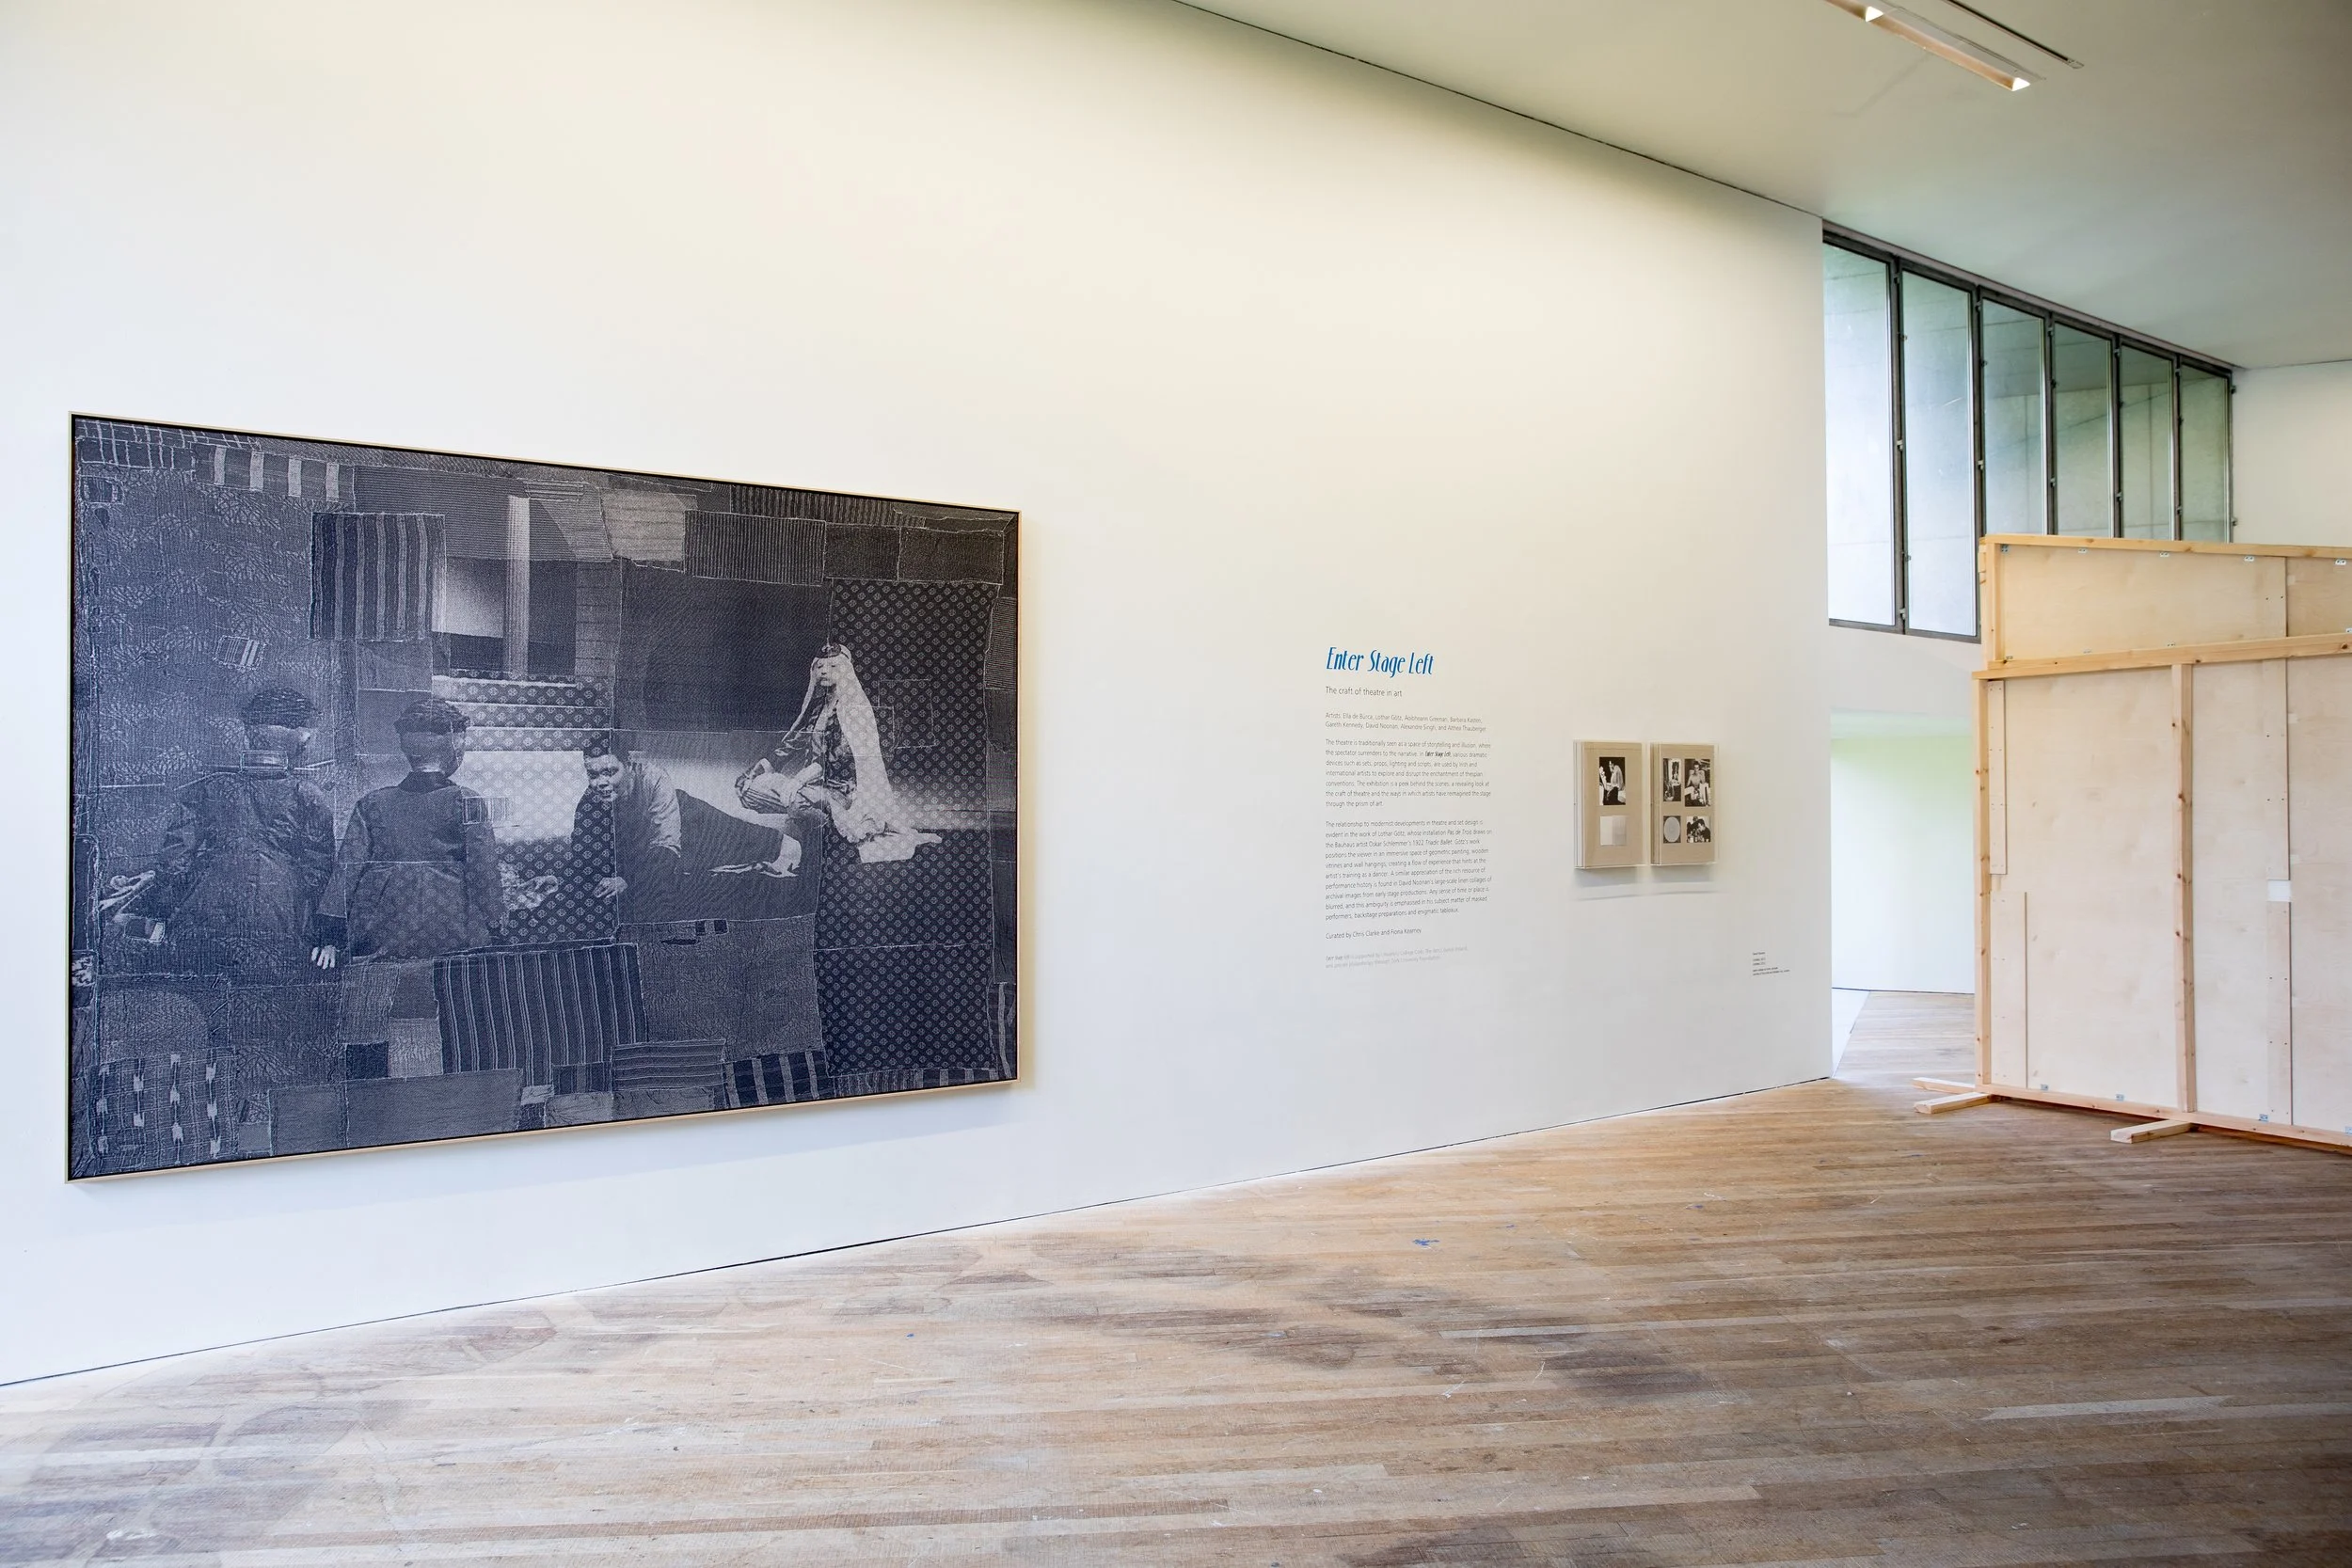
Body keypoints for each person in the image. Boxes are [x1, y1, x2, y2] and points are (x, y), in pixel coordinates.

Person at [100, 688, 336, 975]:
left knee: (124, 926)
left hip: (202, 929)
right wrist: (321, 936)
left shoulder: (209, 788)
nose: (308, 738)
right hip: (282, 931)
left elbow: (174, 865)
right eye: (304, 729)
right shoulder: (310, 796)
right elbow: (319, 874)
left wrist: (165, 912)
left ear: (250, 732)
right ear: (299, 736)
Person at [312, 697, 502, 965]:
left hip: (381, 928)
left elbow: (348, 869)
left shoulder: (372, 803)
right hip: (451, 925)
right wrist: (496, 928)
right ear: (453, 748)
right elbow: (484, 873)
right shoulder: (467, 801)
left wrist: (330, 936)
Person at [735, 642, 939, 864]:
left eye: (832, 666)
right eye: (820, 666)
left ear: (845, 671)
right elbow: (792, 744)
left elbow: (837, 760)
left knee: (798, 803)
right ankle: (822, 819)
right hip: (811, 788)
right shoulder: (817, 708)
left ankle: (832, 832)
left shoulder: (855, 710)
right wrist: (760, 767)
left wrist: (798, 780)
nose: (823, 671)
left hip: (842, 790)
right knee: (749, 788)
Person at [574, 736, 804, 923]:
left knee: (744, 844)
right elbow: (582, 856)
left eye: (610, 772)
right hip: (653, 841)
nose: (600, 783)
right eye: (593, 775)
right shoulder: (590, 800)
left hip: (691, 820)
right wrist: (558, 878)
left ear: (630, 766)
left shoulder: (654, 777)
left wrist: (628, 880)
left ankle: (785, 845)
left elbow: (666, 845)